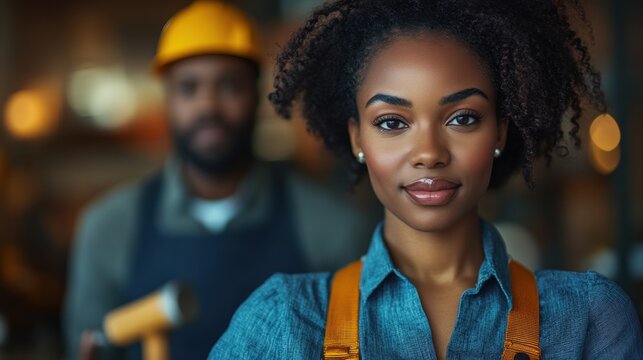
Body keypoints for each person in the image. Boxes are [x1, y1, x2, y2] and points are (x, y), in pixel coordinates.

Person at [209, 0, 643, 359]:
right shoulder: (284, 320)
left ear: (501, 132)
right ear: (357, 137)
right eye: (392, 122)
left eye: (462, 118)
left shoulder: (590, 319)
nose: (430, 153)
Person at [63, 1, 373, 359]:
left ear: (257, 97)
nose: (208, 106)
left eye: (228, 85)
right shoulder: (108, 229)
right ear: (167, 99)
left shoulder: (332, 227)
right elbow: (85, 348)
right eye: (189, 88)